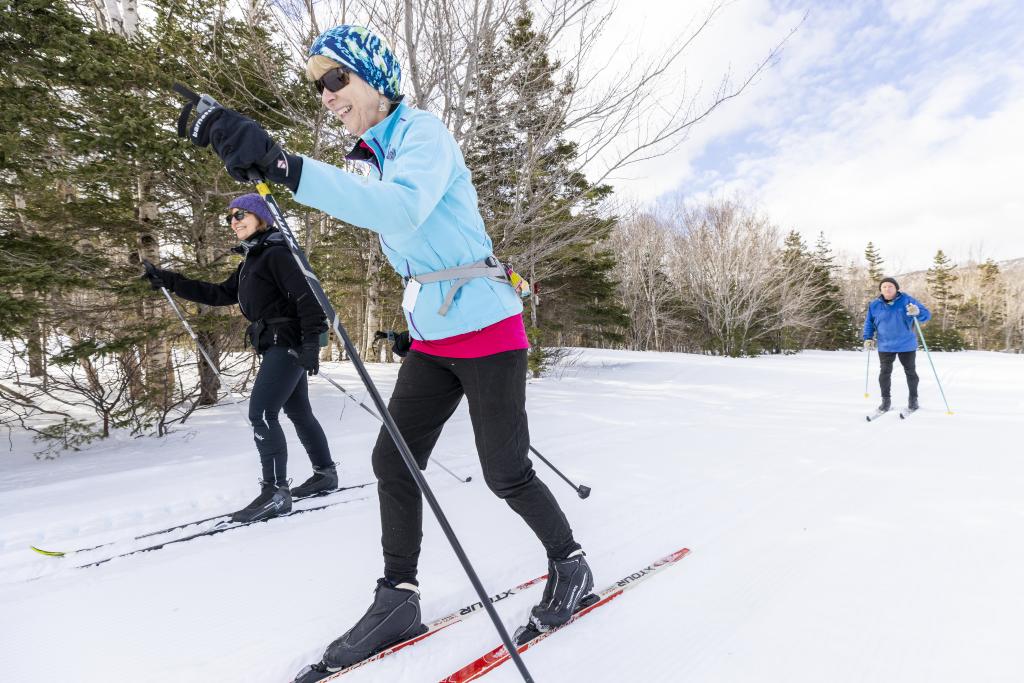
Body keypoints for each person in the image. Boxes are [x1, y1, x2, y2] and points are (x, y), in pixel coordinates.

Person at [178, 25, 592, 671]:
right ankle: (397, 595)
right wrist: (263, 166)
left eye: (336, 79)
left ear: (373, 75)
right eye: (317, 85)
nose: (326, 94)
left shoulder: (422, 132)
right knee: (394, 460)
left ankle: (571, 564)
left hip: (488, 332)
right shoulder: (367, 154)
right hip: (433, 338)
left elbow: (399, 212)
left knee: (505, 471)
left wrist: (284, 163)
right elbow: (391, 226)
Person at [142, 193, 337, 522]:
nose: (233, 221)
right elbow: (219, 294)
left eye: (240, 214)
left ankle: (276, 493)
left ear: (261, 217)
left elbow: (308, 299)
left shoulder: (277, 254)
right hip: (274, 341)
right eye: (230, 217)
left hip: (285, 342)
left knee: (261, 414)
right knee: (299, 411)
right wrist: (171, 280)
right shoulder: (253, 259)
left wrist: (310, 344)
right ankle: (325, 473)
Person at [862, 276, 931, 412]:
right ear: (881, 290)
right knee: (885, 373)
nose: (887, 289)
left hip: (906, 344)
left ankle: (913, 400)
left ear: (896, 288)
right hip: (885, 345)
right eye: (884, 287)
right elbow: (869, 323)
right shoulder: (874, 305)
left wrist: (917, 312)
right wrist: (867, 337)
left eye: (890, 286)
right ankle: (885, 401)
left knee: (910, 372)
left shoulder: (907, 300)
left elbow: (926, 315)